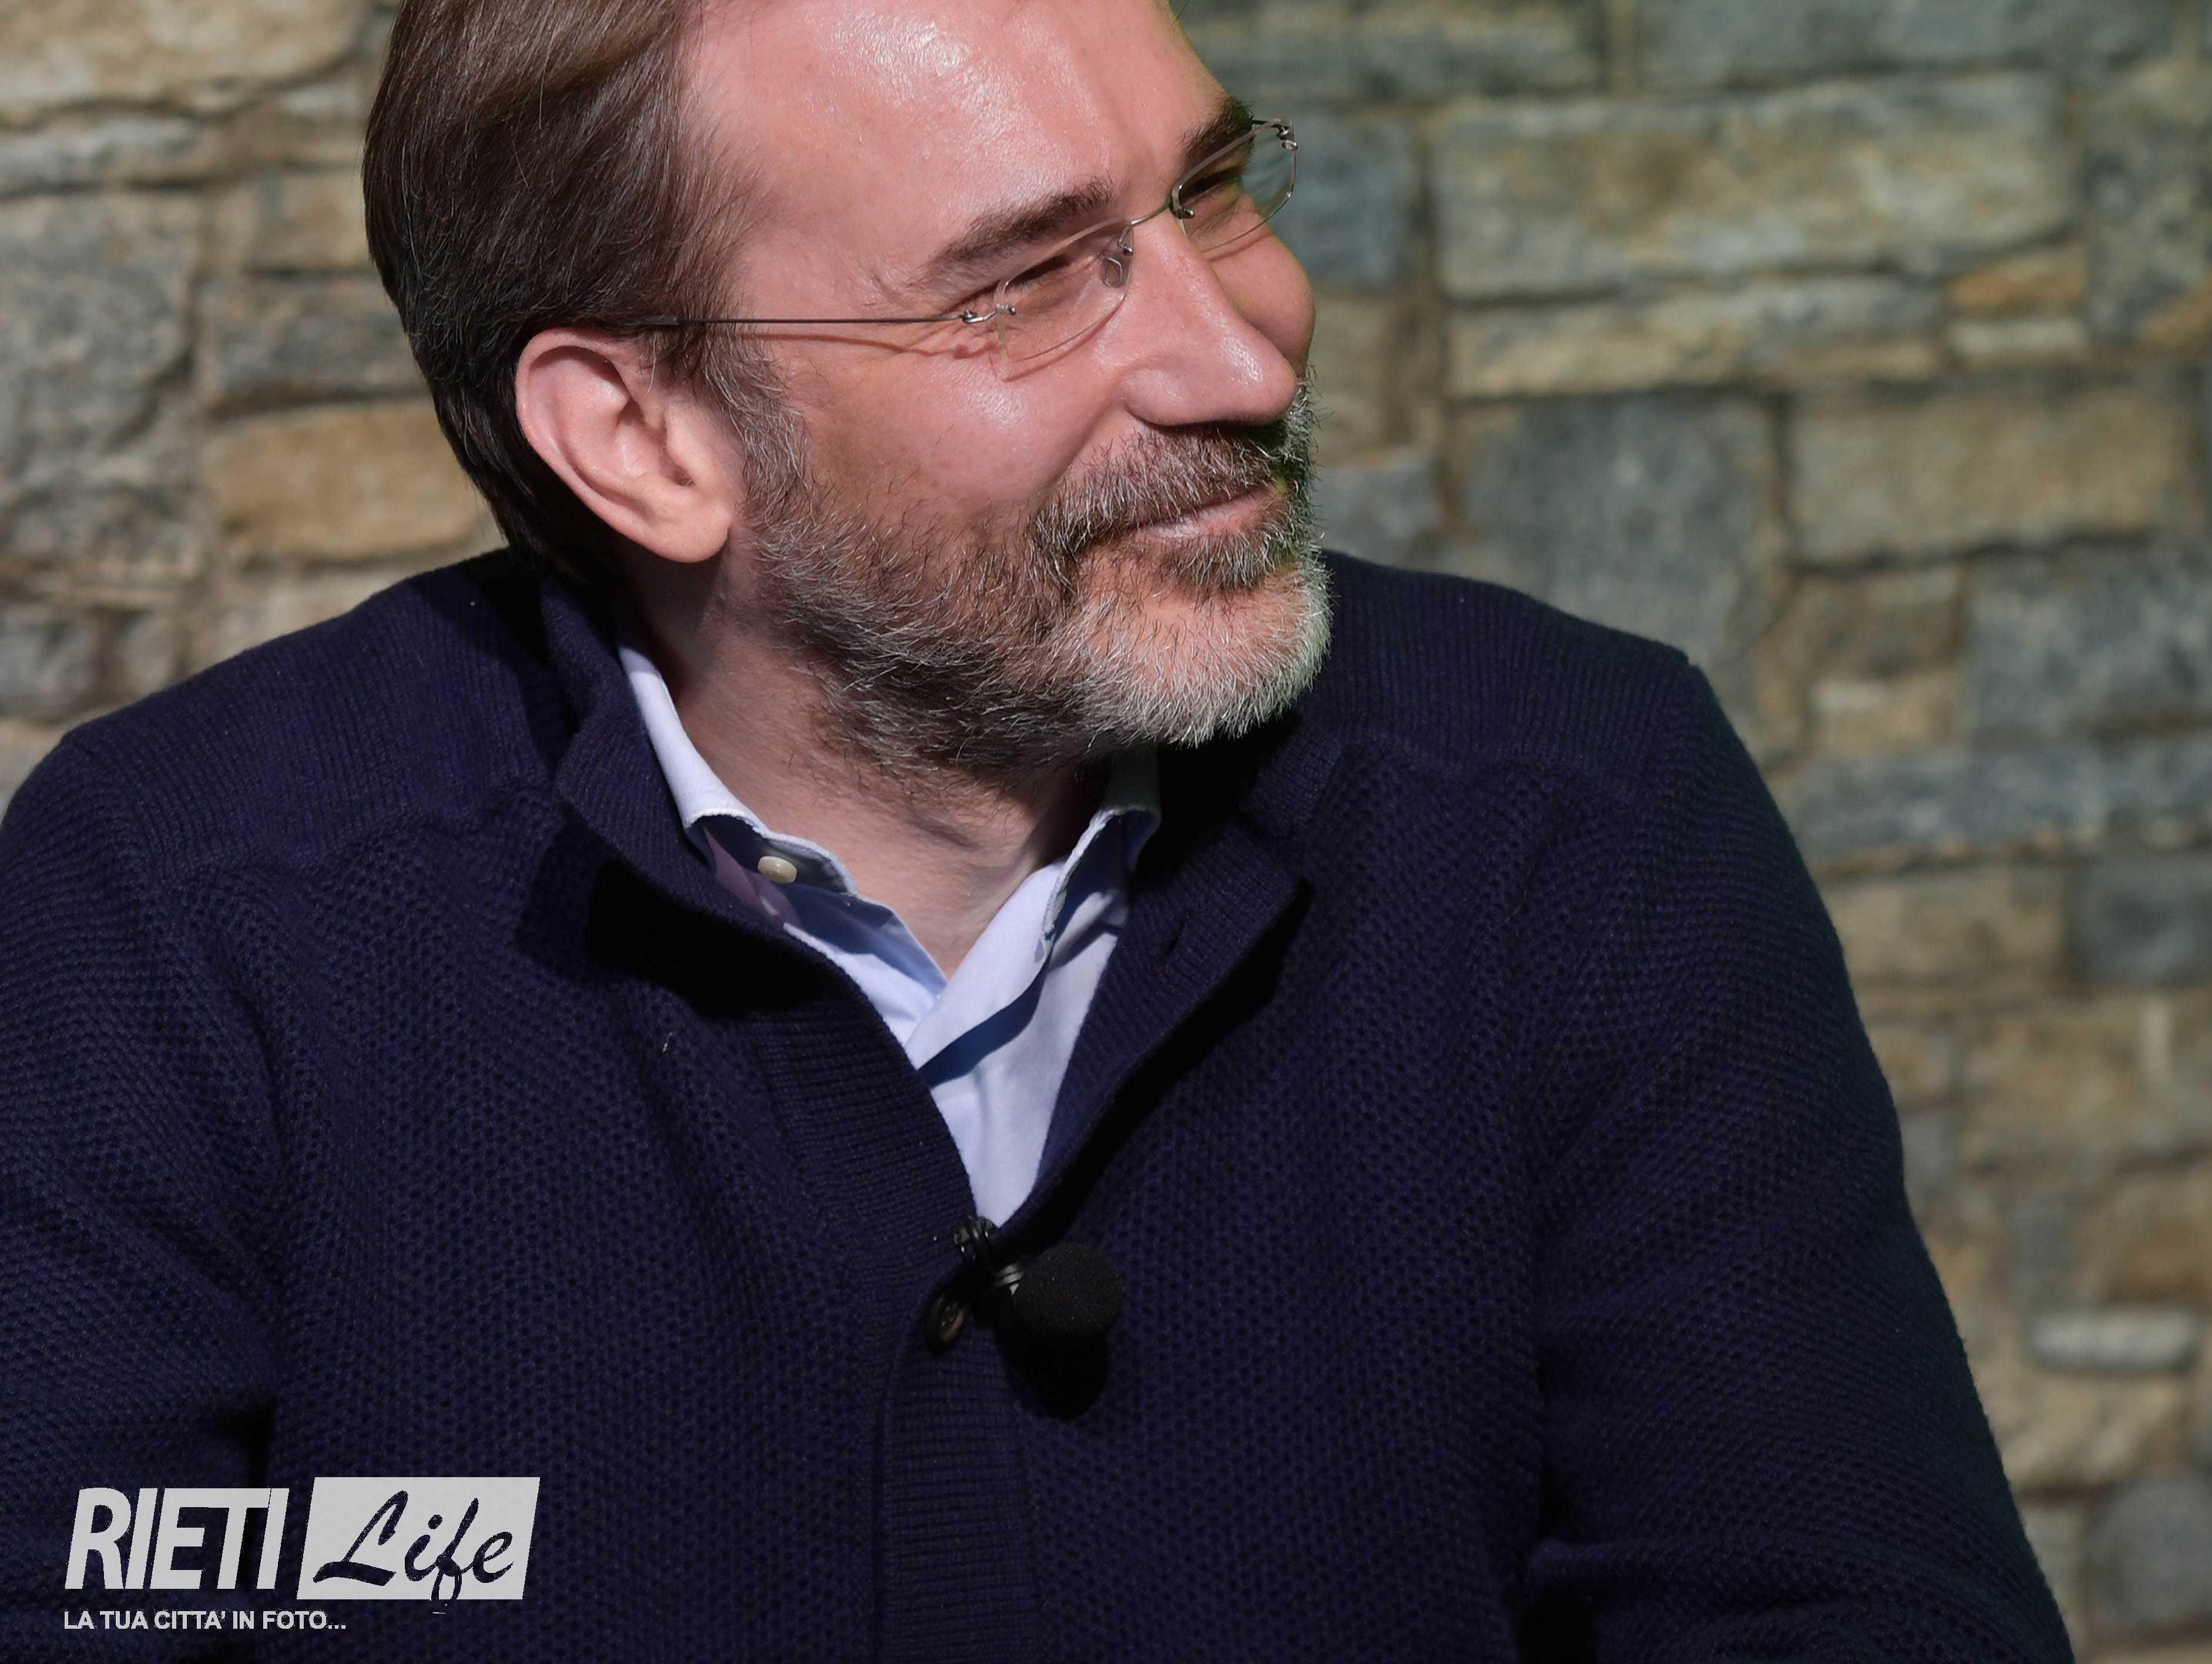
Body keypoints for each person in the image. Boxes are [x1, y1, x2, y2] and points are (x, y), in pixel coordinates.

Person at [0, 0, 2069, 1658]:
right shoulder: (181, 915)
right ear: (642, 435)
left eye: (1213, 191)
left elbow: (1838, 1605)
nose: (1239, 349)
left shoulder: (1577, 803)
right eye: (1023, 283)